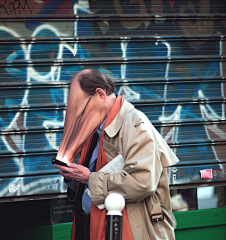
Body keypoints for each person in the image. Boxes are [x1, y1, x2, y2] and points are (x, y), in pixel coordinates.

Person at [53, 69, 179, 240]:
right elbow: (88, 183)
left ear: (100, 94)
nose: (80, 114)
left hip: (125, 230)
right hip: (90, 226)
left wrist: (89, 178)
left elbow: (142, 182)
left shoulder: (136, 124)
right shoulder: (94, 130)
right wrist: (72, 176)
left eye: (82, 106)